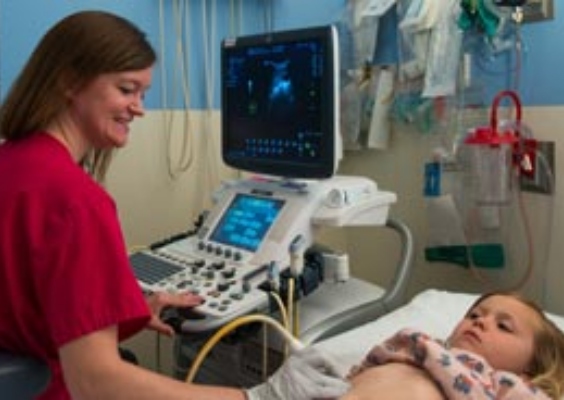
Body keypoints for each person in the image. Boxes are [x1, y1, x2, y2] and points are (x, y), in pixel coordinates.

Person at [0, 10, 349, 400]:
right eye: (127, 89)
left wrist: (122, 312)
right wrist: (260, 396)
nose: (139, 108)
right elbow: (95, 383)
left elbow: (28, 299)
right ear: (70, 81)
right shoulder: (76, 201)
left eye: (143, 94)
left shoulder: (13, 161)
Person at [341, 292, 564, 400]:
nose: (480, 321)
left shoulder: (507, 387)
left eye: (503, 326)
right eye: (474, 314)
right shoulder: (422, 345)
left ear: (529, 371)